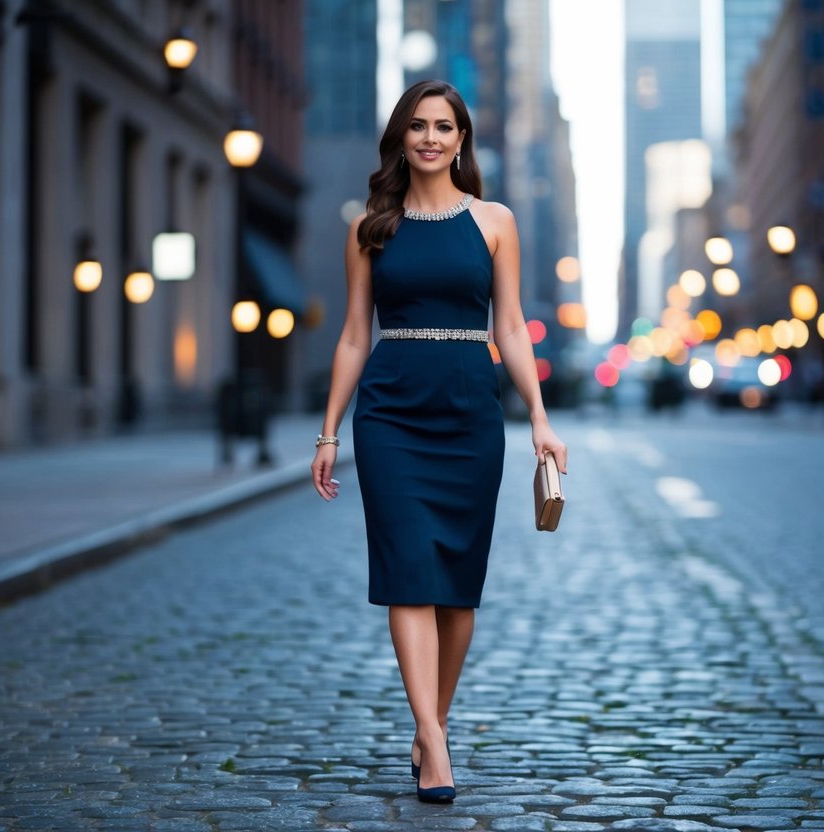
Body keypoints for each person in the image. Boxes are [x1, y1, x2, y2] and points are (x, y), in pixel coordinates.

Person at [310, 79, 568, 802]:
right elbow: (355, 334)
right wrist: (329, 431)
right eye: (417, 126)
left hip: (468, 410)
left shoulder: (494, 222)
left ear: (461, 140)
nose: (429, 137)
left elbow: (510, 327)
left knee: (456, 589)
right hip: (390, 412)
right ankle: (432, 740)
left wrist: (540, 419)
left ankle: (433, 724)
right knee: (409, 570)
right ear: (400, 137)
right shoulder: (370, 227)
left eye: (443, 127)